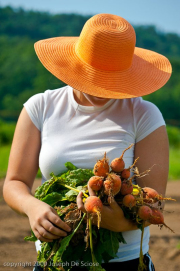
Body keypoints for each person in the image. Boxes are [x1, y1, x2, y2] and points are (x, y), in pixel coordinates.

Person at [3, 13, 171, 271]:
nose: (100, 89)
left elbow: (153, 203)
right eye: (94, 78)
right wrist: (32, 207)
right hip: (56, 259)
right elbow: (14, 183)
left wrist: (119, 222)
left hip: (124, 262)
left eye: (110, 80)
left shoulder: (145, 114)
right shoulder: (41, 107)